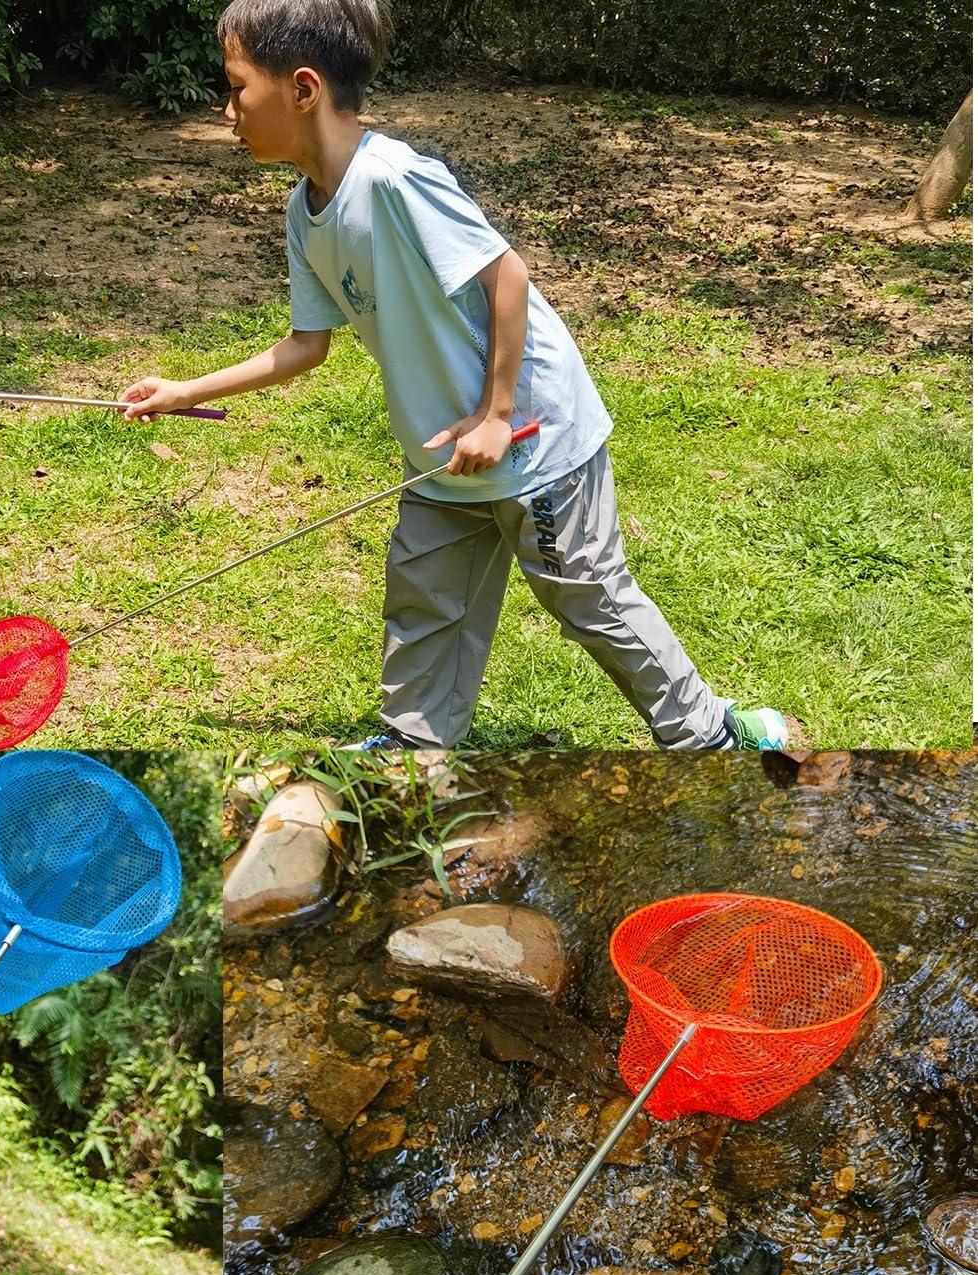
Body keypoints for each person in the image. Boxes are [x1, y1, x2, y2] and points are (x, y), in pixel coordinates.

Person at [120, 0, 787, 751]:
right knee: (425, 598)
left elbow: (507, 276)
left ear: (302, 89)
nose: (228, 109)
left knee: (590, 599)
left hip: (532, 437)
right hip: (441, 446)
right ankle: (417, 744)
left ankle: (709, 737)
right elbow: (307, 345)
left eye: (238, 86)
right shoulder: (303, 212)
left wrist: (497, 413)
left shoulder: (395, 180)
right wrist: (184, 392)